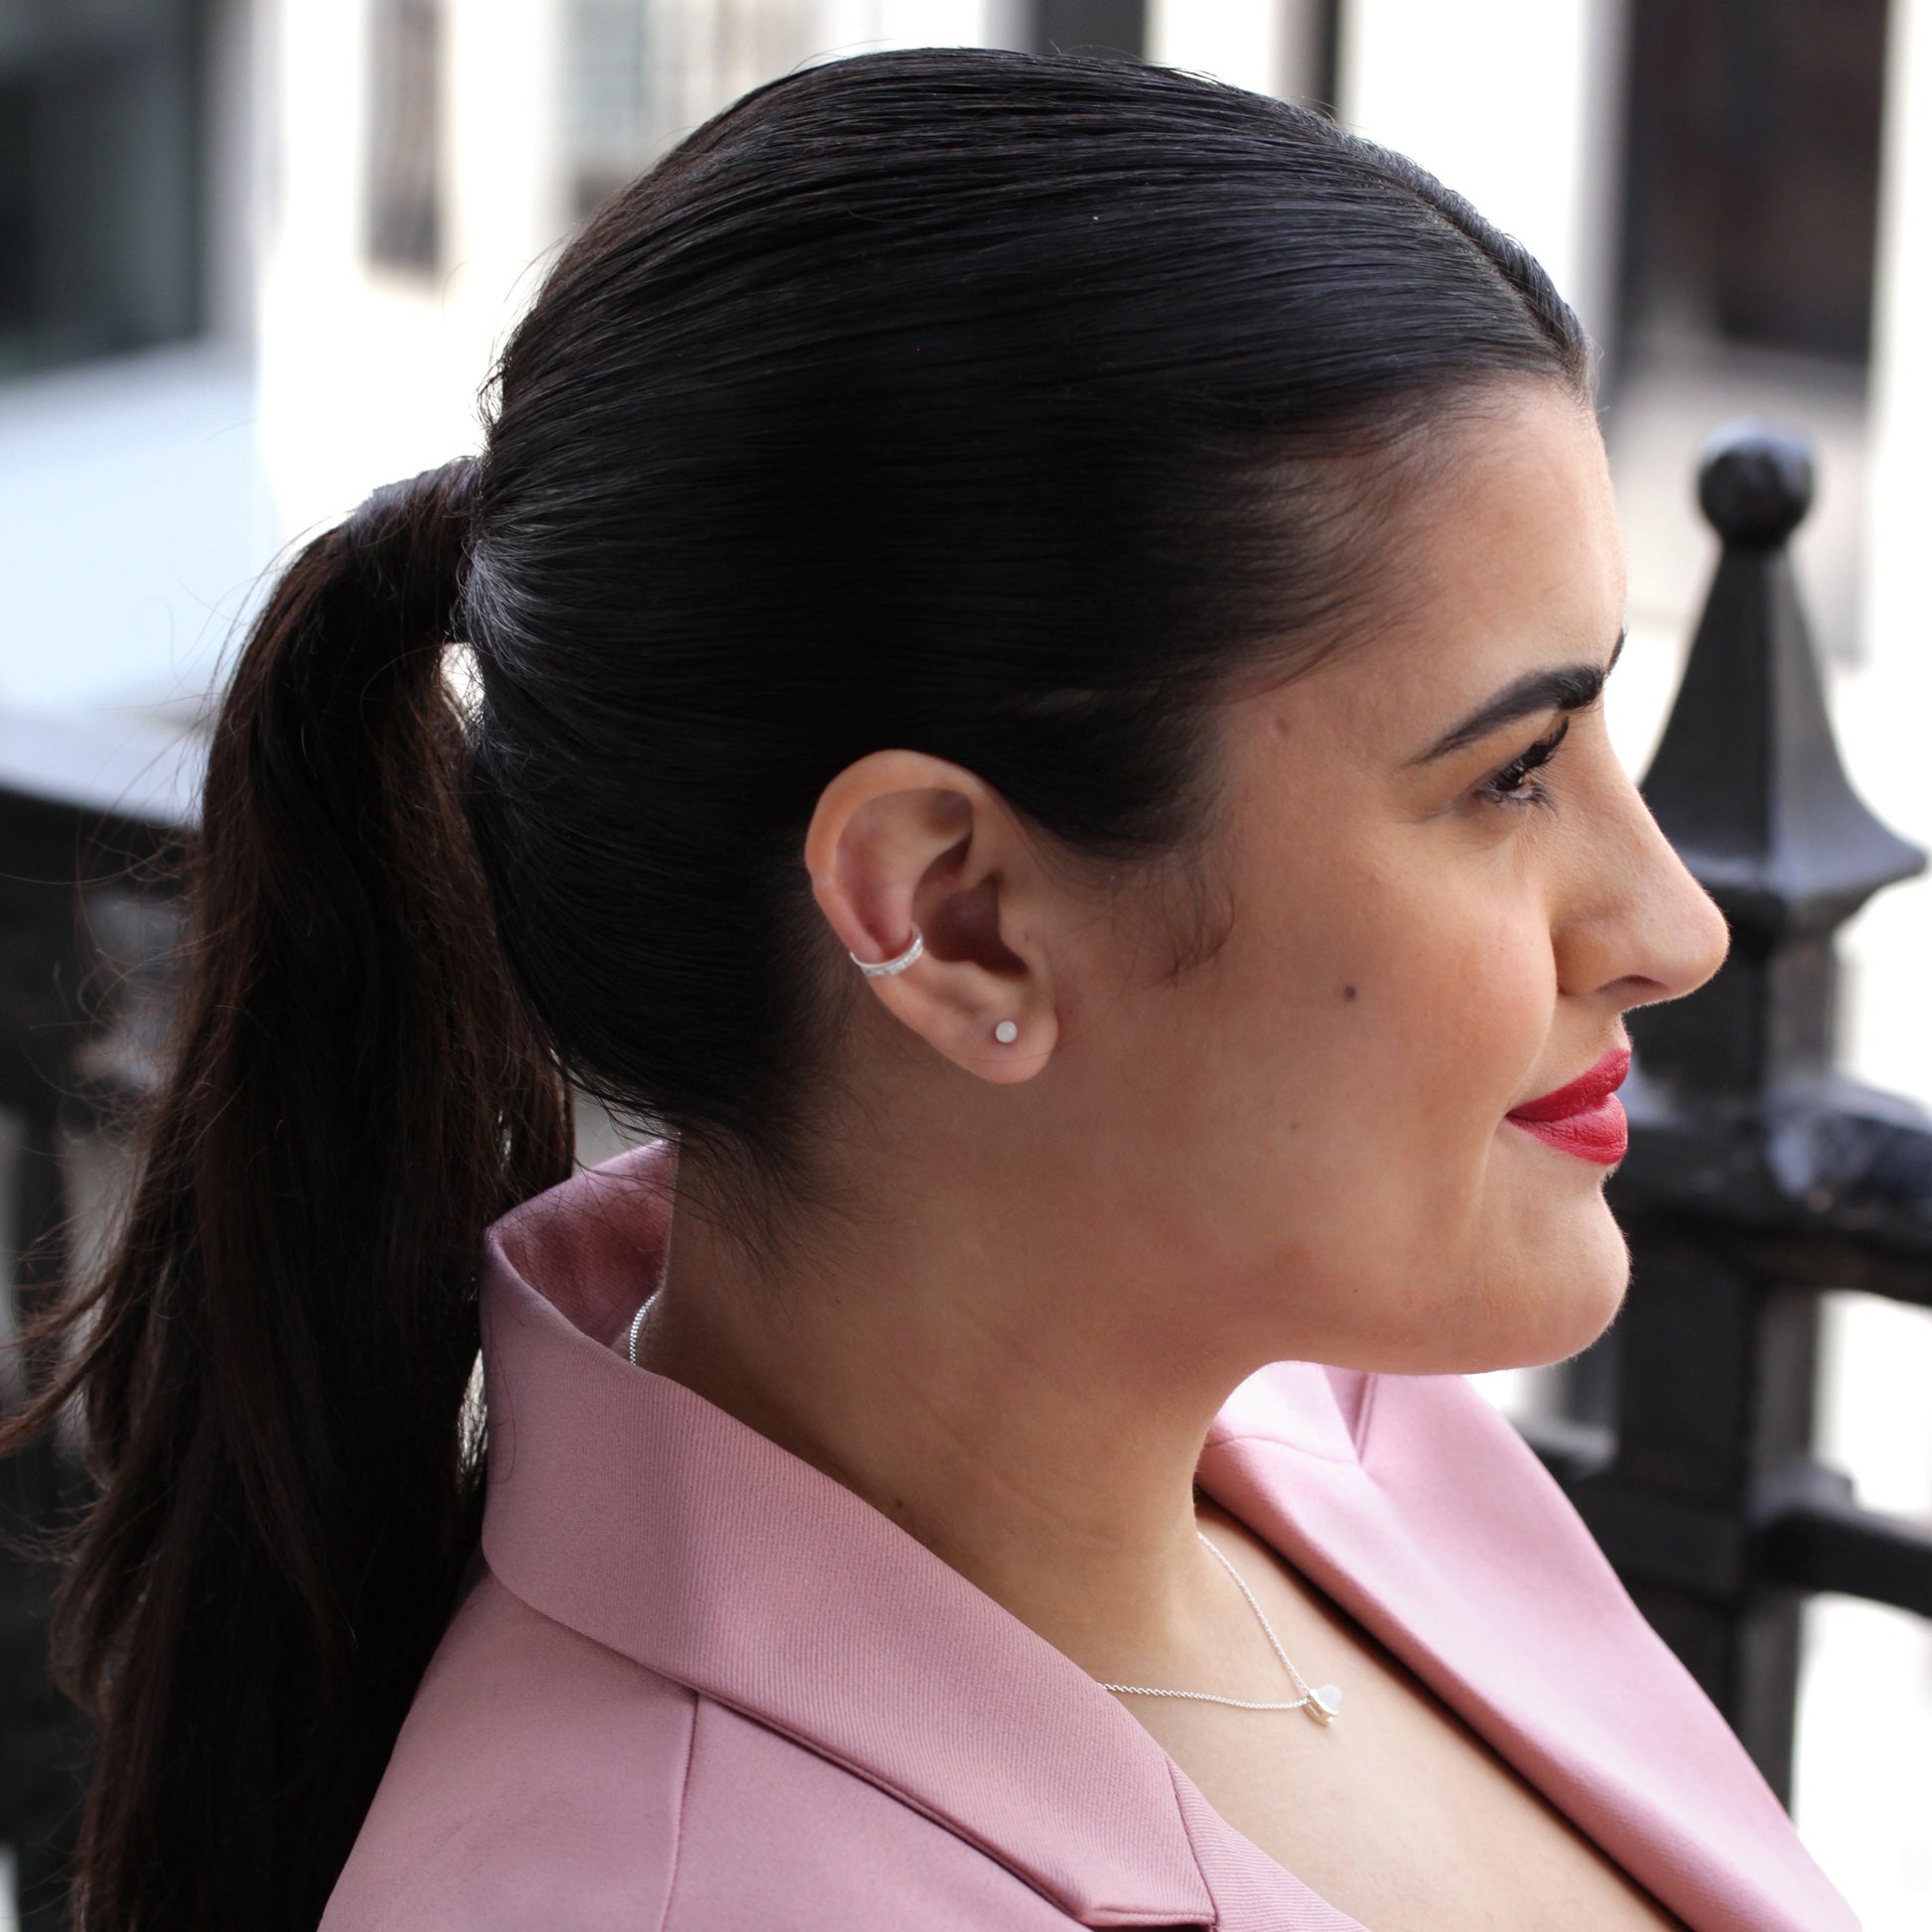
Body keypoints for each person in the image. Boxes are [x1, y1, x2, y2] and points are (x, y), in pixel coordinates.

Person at [3, 47, 1856, 1932]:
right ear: (953, 916)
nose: (1674, 923)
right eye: (1511, 771)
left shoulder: (1347, 1442)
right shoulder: (652, 1891)